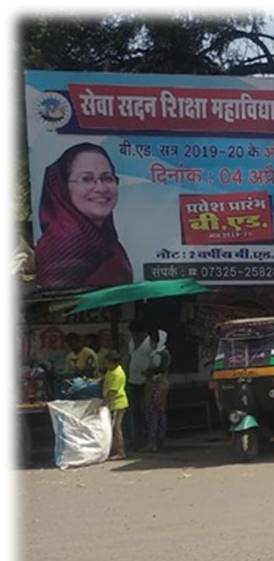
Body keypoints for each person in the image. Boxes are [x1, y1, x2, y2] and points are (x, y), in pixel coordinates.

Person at [33, 142, 133, 290]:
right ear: (63, 188)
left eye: (107, 178)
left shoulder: (105, 240)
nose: (100, 188)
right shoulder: (64, 244)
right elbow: (58, 306)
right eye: (86, 179)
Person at [126, 321, 165, 447]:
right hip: (133, 381)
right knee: (134, 411)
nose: (134, 336)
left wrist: (150, 373)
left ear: (143, 333)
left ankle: (151, 439)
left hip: (147, 383)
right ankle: (137, 439)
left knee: (148, 411)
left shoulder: (151, 344)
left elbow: (159, 362)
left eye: (136, 334)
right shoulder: (131, 343)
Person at [141, 326, 171, 452]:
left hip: (157, 385)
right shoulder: (159, 353)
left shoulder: (160, 354)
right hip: (160, 384)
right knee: (159, 413)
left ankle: (153, 442)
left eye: (153, 342)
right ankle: (158, 440)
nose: (151, 344)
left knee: (153, 412)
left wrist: (147, 372)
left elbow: (157, 369)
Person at [100, 350, 128, 460]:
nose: (106, 364)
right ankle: (114, 450)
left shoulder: (117, 373)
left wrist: (103, 403)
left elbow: (113, 391)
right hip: (113, 403)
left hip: (118, 403)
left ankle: (121, 451)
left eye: (108, 362)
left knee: (116, 427)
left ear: (114, 363)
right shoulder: (111, 370)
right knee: (112, 427)